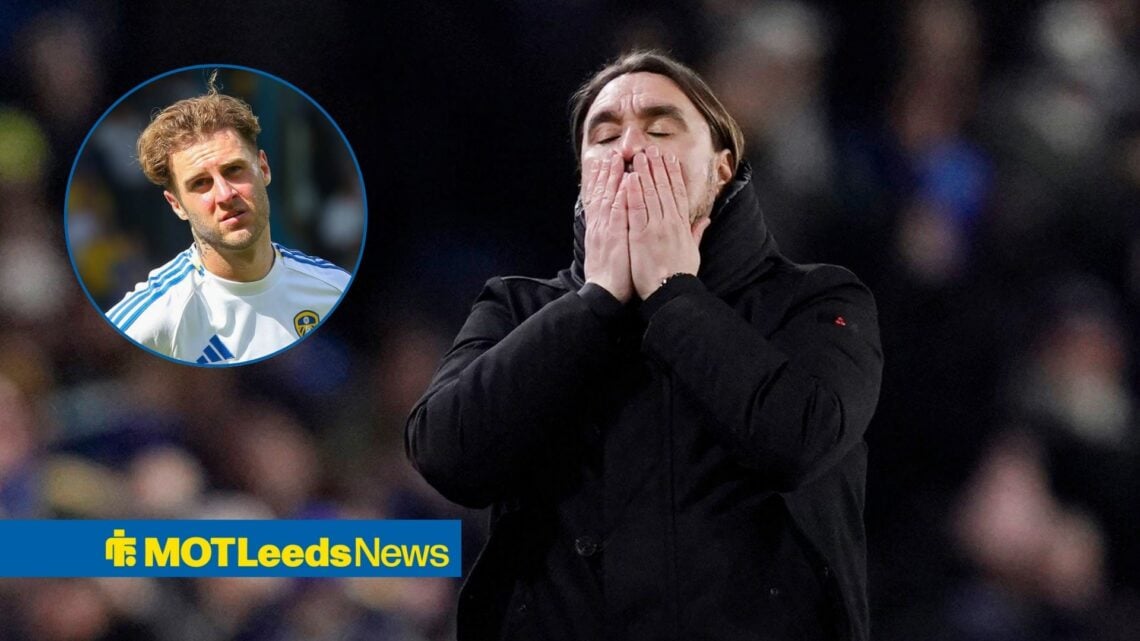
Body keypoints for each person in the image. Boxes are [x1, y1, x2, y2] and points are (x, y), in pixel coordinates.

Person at [406, 51, 883, 640]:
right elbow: (447, 455)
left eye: (660, 129)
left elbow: (800, 438)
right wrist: (595, 301)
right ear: (583, 180)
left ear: (722, 168)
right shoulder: (516, 308)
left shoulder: (816, 300)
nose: (629, 148)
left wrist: (673, 294)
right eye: (604, 136)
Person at [105, 75, 350, 364]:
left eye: (234, 170)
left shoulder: (331, 285)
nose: (224, 194)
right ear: (176, 205)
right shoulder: (150, 318)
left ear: (264, 168)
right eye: (201, 183)